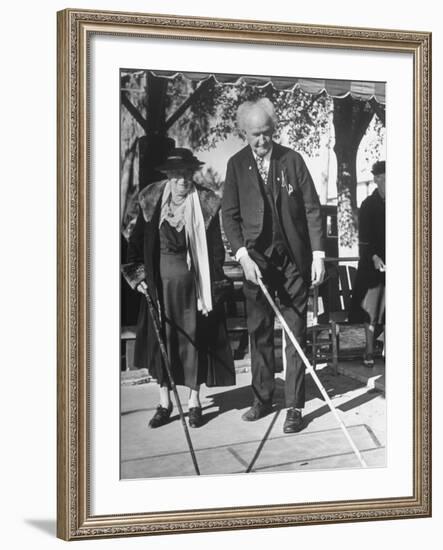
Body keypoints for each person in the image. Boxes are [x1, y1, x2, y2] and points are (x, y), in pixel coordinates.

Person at [222, 98, 325, 433]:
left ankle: (294, 406)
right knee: (260, 332)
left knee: (295, 335)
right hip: (256, 262)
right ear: (244, 133)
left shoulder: (292, 160)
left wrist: (319, 256)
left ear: (273, 130)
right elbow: (230, 216)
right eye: (255, 134)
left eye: (267, 133)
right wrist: (241, 255)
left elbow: (312, 209)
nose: (262, 140)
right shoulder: (236, 165)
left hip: (294, 262)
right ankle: (263, 398)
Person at [122, 147, 235, 429]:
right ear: (168, 176)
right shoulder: (151, 201)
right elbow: (135, 246)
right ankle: (164, 403)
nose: (182, 181)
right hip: (159, 290)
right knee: (165, 344)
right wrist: (138, 278)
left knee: (193, 343)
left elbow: (217, 252)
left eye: (187, 174)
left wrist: (213, 287)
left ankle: (194, 402)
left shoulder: (206, 204)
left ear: (192, 175)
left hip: (193, 291)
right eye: (176, 175)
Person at [350, 160, 386, 366]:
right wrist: (374, 256)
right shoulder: (368, 205)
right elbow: (363, 238)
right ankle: (369, 352)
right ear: (377, 179)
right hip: (371, 264)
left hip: (392, 261)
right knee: (372, 310)